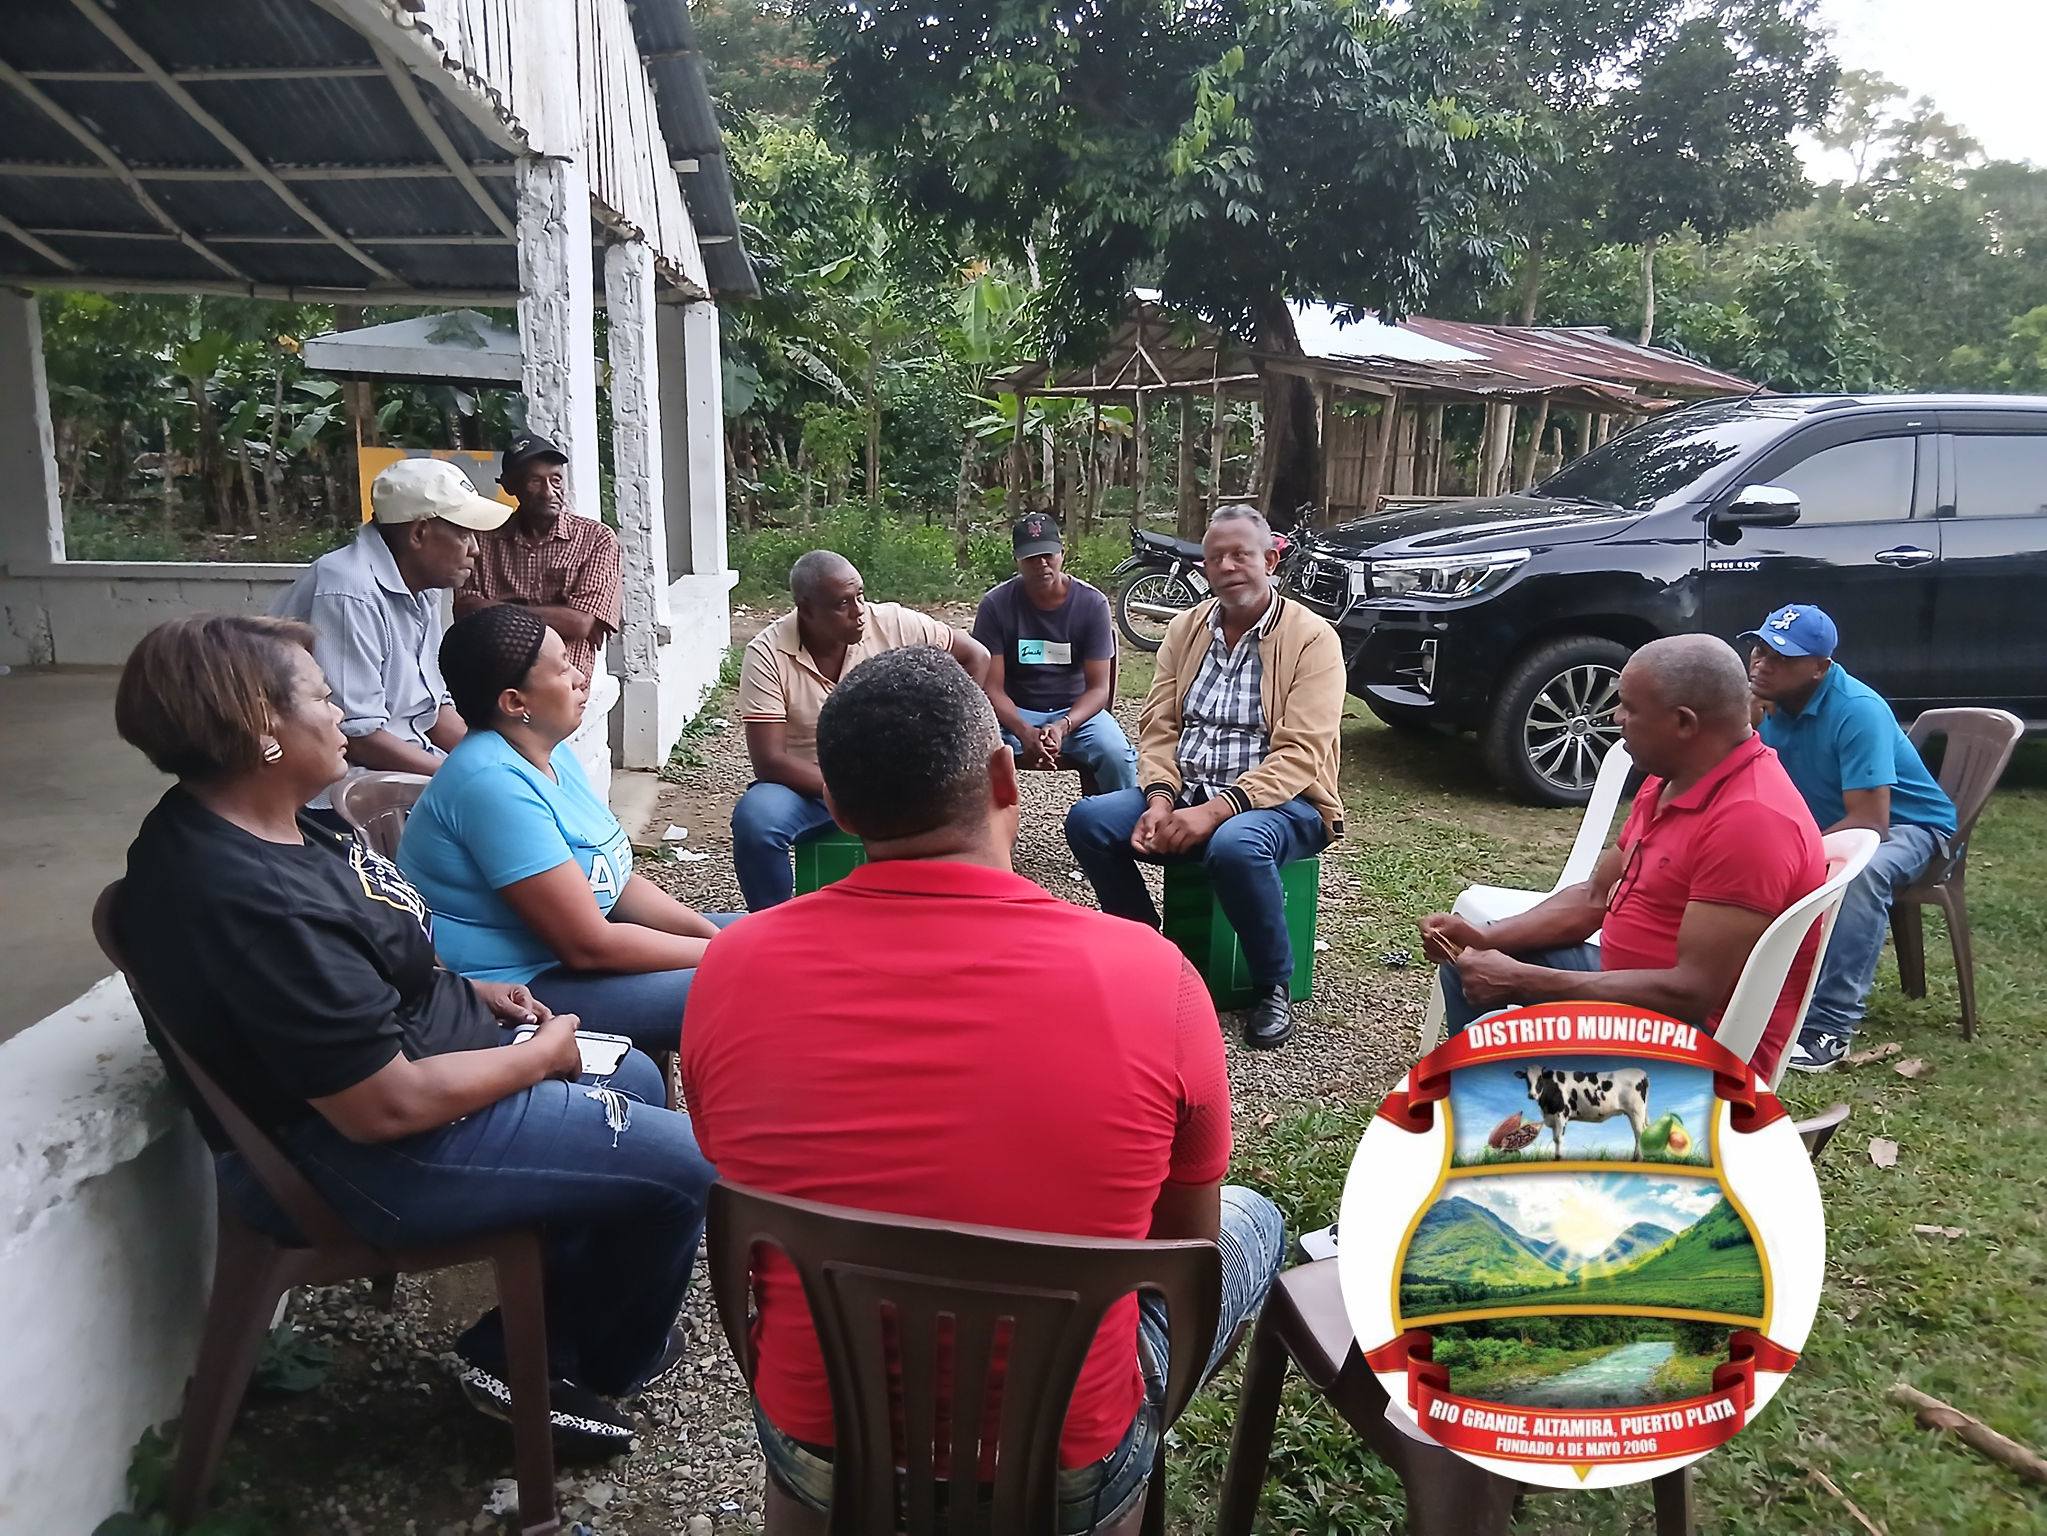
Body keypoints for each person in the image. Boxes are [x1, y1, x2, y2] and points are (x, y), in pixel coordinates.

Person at [684, 647, 1284, 1532]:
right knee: (1253, 1221)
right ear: (1005, 776)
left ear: (839, 807)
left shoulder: (730, 968)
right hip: (1062, 1464)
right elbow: (1178, 1256)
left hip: (821, 1448)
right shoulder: (1154, 977)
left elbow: (749, 1190)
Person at [111, 614, 714, 1446]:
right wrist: (543, 1056)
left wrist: (470, 987)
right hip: (372, 1154)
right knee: (685, 1164)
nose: (345, 717)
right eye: (323, 700)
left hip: (435, 1057)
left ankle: (570, 1328)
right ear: (263, 729)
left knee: (637, 1081)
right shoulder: (246, 900)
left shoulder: (285, 824)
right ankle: (520, 1362)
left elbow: (373, 961)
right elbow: (381, 1108)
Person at [1419, 635, 1827, 1083]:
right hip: (1632, 987)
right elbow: (1595, 897)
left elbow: (1691, 993)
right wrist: (1483, 936)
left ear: (1684, 723)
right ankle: (1501, 1101)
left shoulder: (1751, 820)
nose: (1616, 719)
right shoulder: (1674, 777)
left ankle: (1513, 1109)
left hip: (1694, 1045)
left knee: (1488, 1039)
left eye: (1630, 708)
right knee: (1472, 963)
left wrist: (1523, 981)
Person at [397, 605, 740, 1056]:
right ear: (515, 702)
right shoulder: (492, 783)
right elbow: (589, 946)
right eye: (562, 669)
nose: (580, 677)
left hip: (578, 956)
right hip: (524, 988)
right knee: (755, 981)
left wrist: (714, 938)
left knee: (776, 940)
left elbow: (617, 883)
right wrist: (730, 956)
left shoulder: (547, 753)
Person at [1064, 506, 1344, 1051]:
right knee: (1090, 819)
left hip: (1284, 803)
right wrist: (1161, 799)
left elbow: (1301, 753)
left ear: (1271, 558)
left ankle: (1271, 986)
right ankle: (1150, 954)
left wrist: (1216, 809)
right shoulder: (1186, 628)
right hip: (1189, 790)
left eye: (1241, 554)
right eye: (1215, 556)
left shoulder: (1313, 639)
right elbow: (1159, 725)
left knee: (1234, 846)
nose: (1228, 566)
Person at [1743, 603, 1958, 1073]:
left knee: (1860, 873)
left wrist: (1798, 856)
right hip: (1832, 824)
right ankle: (1748, 993)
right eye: (1759, 650)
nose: (1762, 664)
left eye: (1781, 658)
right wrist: (1743, 723)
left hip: (1911, 827)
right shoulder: (1763, 703)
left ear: (1820, 668)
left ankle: (1829, 1027)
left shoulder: (1858, 710)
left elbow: (1869, 825)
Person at [732, 550, 991, 910]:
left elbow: (976, 656)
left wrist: (948, 732)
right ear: (806, 609)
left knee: (975, 809)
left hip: (902, 780)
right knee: (756, 822)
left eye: (860, 596)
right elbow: (770, 761)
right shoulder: (767, 654)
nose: (859, 611)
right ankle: (770, 925)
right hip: (812, 787)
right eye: (842, 603)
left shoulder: (893, 624)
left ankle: (950, 917)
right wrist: (849, 789)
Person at [271, 457, 508, 828]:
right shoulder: (350, 589)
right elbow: (358, 736)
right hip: (342, 795)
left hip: (402, 768)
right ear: (419, 533)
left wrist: (499, 761)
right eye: (463, 533)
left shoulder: (424, 587)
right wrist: (465, 777)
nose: (475, 549)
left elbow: (431, 709)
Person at [973, 512, 1137, 792]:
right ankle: (985, 830)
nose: (1041, 564)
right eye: (1031, 557)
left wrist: (1063, 726)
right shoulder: (995, 605)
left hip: (1075, 713)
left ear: (1062, 553)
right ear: (1017, 560)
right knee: (973, 752)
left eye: (1048, 554)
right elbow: (992, 688)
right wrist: (1024, 730)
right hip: (1014, 712)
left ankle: (1117, 824)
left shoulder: (1092, 604)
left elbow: (1099, 688)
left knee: (1117, 756)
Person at [456, 431, 622, 681]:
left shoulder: (597, 539)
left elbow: (580, 623)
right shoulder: (483, 539)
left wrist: (493, 609)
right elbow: (466, 612)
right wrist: (558, 614)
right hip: (496, 681)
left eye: (556, 480)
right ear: (511, 486)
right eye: (534, 481)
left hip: (562, 685)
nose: (548, 492)